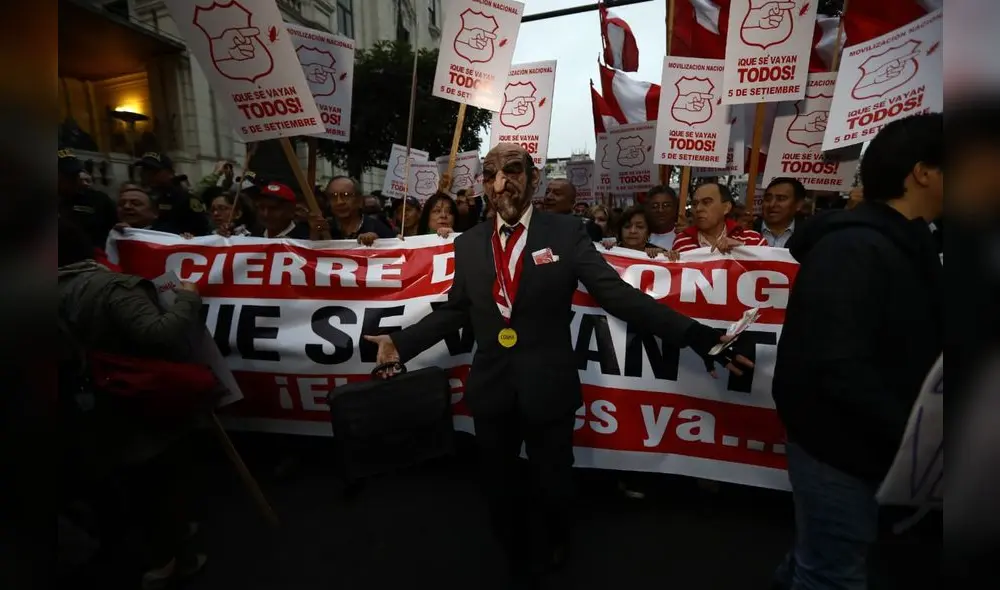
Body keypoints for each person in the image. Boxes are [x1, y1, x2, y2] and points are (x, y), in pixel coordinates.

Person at [362, 143, 754, 586]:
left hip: (548, 387)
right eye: (491, 172)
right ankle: (511, 547)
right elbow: (456, 310)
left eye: (512, 171)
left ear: (533, 179)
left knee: (553, 482)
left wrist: (699, 337)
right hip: (492, 388)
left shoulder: (566, 234)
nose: (500, 181)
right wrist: (399, 343)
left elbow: (618, 295)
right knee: (498, 484)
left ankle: (555, 540)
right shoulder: (470, 243)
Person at [770, 113, 944, 590]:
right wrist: (921, 437)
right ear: (923, 172)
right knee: (832, 575)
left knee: (820, 560)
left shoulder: (914, 245)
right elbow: (837, 366)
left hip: (874, 450)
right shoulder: (852, 251)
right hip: (839, 451)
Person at [57, 218, 209, 589]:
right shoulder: (110, 287)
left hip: (84, 405)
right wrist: (188, 297)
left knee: (120, 479)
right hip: (132, 400)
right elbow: (162, 335)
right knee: (156, 478)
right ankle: (172, 556)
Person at [672, 182, 766, 254]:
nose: (698, 209)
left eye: (706, 202)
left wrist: (741, 249)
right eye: (695, 204)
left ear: (726, 208)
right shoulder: (681, 242)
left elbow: (772, 269)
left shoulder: (753, 239)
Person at [133, 152, 211, 236]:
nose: (147, 175)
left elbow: (203, 232)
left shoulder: (185, 200)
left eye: (153, 171)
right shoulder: (141, 195)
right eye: (144, 170)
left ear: (169, 173)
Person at [58, 149, 117, 250]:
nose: (73, 180)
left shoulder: (98, 200)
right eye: (67, 176)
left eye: (75, 174)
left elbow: (115, 227)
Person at [314, 176, 396, 244]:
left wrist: (378, 243)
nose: (339, 202)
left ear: (359, 200)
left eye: (346, 195)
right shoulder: (324, 228)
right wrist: (315, 232)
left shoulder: (377, 228)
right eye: (333, 196)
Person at [757, 177, 806, 247]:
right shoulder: (747, 231)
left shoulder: (809, 236)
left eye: (781, 199)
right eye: (768, 199)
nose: (772, 204)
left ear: (798, 205)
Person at [643, 185, 680, 250]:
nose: (660, 210)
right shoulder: (638, 237)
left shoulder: (683, 236)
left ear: (675, 208)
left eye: (666, 205)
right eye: (655, 206)